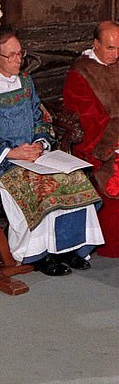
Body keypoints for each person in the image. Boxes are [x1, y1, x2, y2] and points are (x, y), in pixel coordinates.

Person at [0, 27, 104, 275]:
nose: (19, 60)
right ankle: (36, 254)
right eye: (11, 55)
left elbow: (41, 118)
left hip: (34, 155)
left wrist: (40, 144)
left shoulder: (26, 82)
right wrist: (11, 153)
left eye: (20, 54)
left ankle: (67, 249)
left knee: (73, 179)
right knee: (39, 186)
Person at [62, 20, 119, 257]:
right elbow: (89, 121)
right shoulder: (80, 75)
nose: (116, 54)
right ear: (95, 45)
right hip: (101, 143)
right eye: (110, 48)